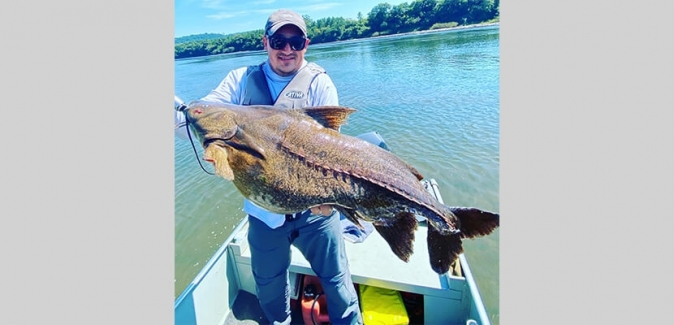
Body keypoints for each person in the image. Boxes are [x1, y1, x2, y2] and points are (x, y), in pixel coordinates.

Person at [177, 9, 363, 325]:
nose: (287, 49)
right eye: (279, 40)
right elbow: (198, 116)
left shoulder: (319, 83)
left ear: (306, 44)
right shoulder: (239, 80)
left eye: (295, 41)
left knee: (338, 284)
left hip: (315, 211)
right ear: (266, 42)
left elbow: (332, 151)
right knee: (270, 289)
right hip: (263, 213)